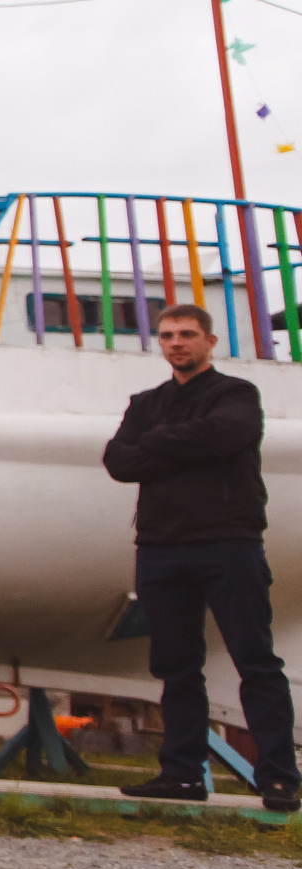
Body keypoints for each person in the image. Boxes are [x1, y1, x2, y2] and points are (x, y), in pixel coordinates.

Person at [101, 302, 299, 809]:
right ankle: (183, 775)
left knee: (254, 659)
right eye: (167, 335)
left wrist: (159, 446)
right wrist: (184, 445)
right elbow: (119, 461)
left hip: (228, 542)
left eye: (187, 334)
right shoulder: (145, 403)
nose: (177, 343)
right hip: (161, 548)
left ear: (209, 341)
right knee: (175, 665)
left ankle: (278, 778)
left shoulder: (236, 394)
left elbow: (227, 434)